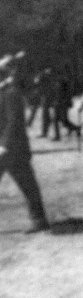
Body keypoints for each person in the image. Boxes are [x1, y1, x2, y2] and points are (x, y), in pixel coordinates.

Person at [0, 53, 50, 233]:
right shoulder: (4, 91)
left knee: (28, 185)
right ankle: (39, 219)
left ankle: (39, 220)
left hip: (13, 148)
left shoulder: (11, 93)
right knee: (28, 185)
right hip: (6, 148)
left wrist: (4, 145)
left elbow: (14, 122)